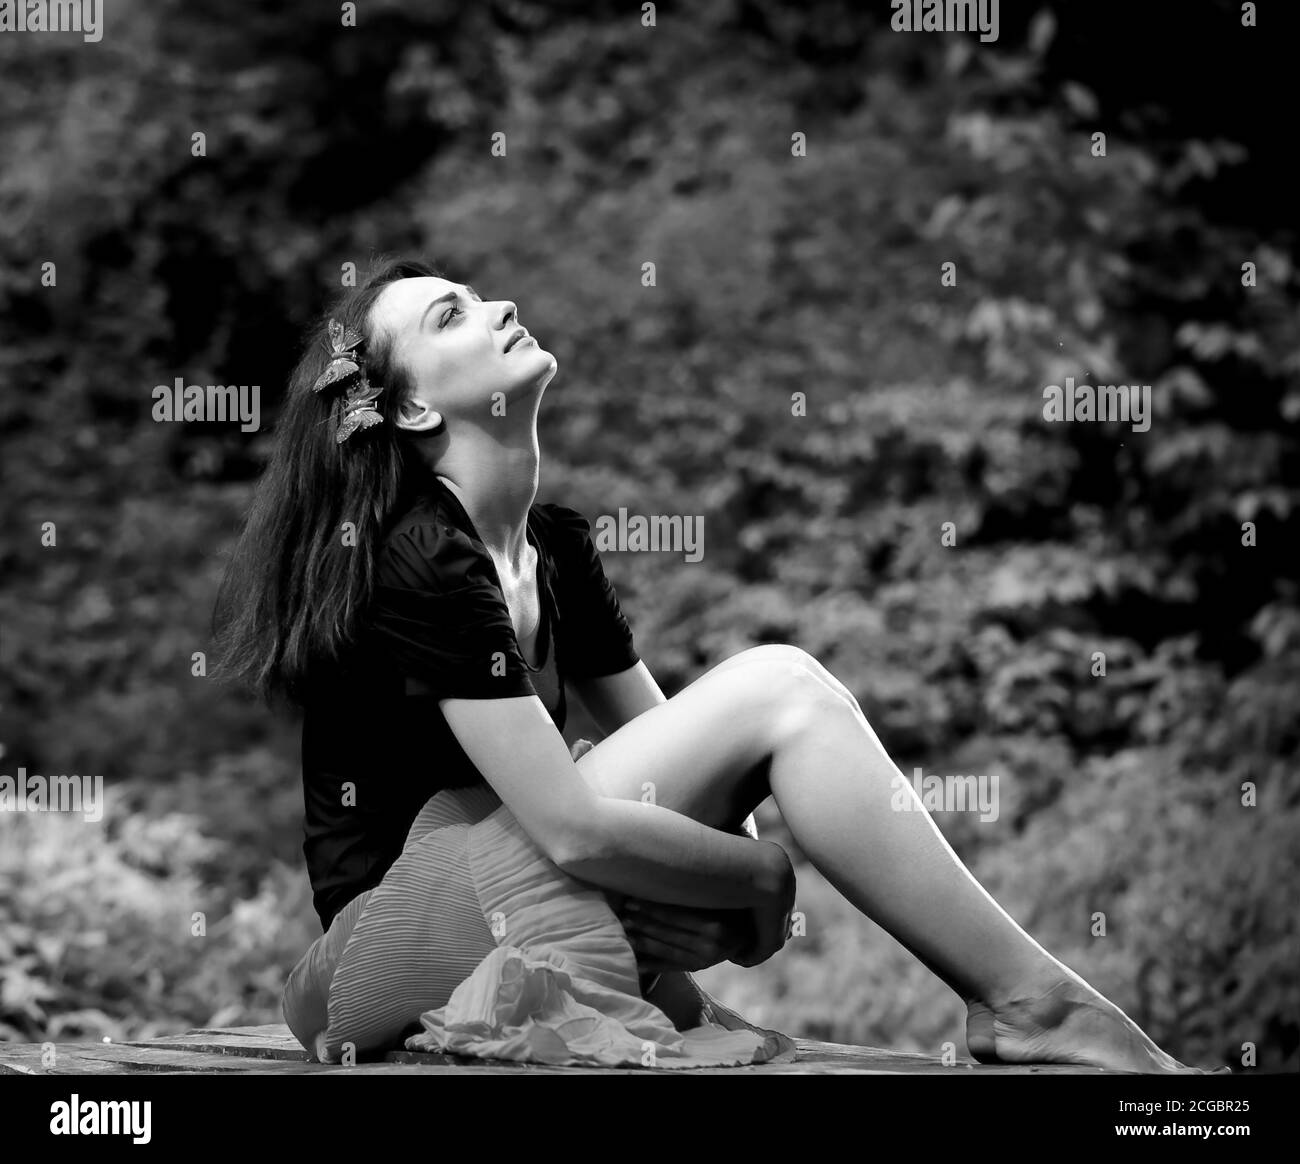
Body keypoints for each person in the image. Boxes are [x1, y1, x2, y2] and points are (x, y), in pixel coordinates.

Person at [213, 256, 1209, 1072]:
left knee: (779, 703)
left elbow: (691, 785)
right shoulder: (418, 557)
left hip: (508, 900)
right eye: (452, 317)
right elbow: (572, 828)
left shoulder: (552, 547)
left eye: (482, 296)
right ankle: (1028, 1002)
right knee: (779, 685)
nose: (500, 305)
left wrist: (715, 898)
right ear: (419, 411)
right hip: (378, 954)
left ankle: (1027, 1003)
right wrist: (761, 881)